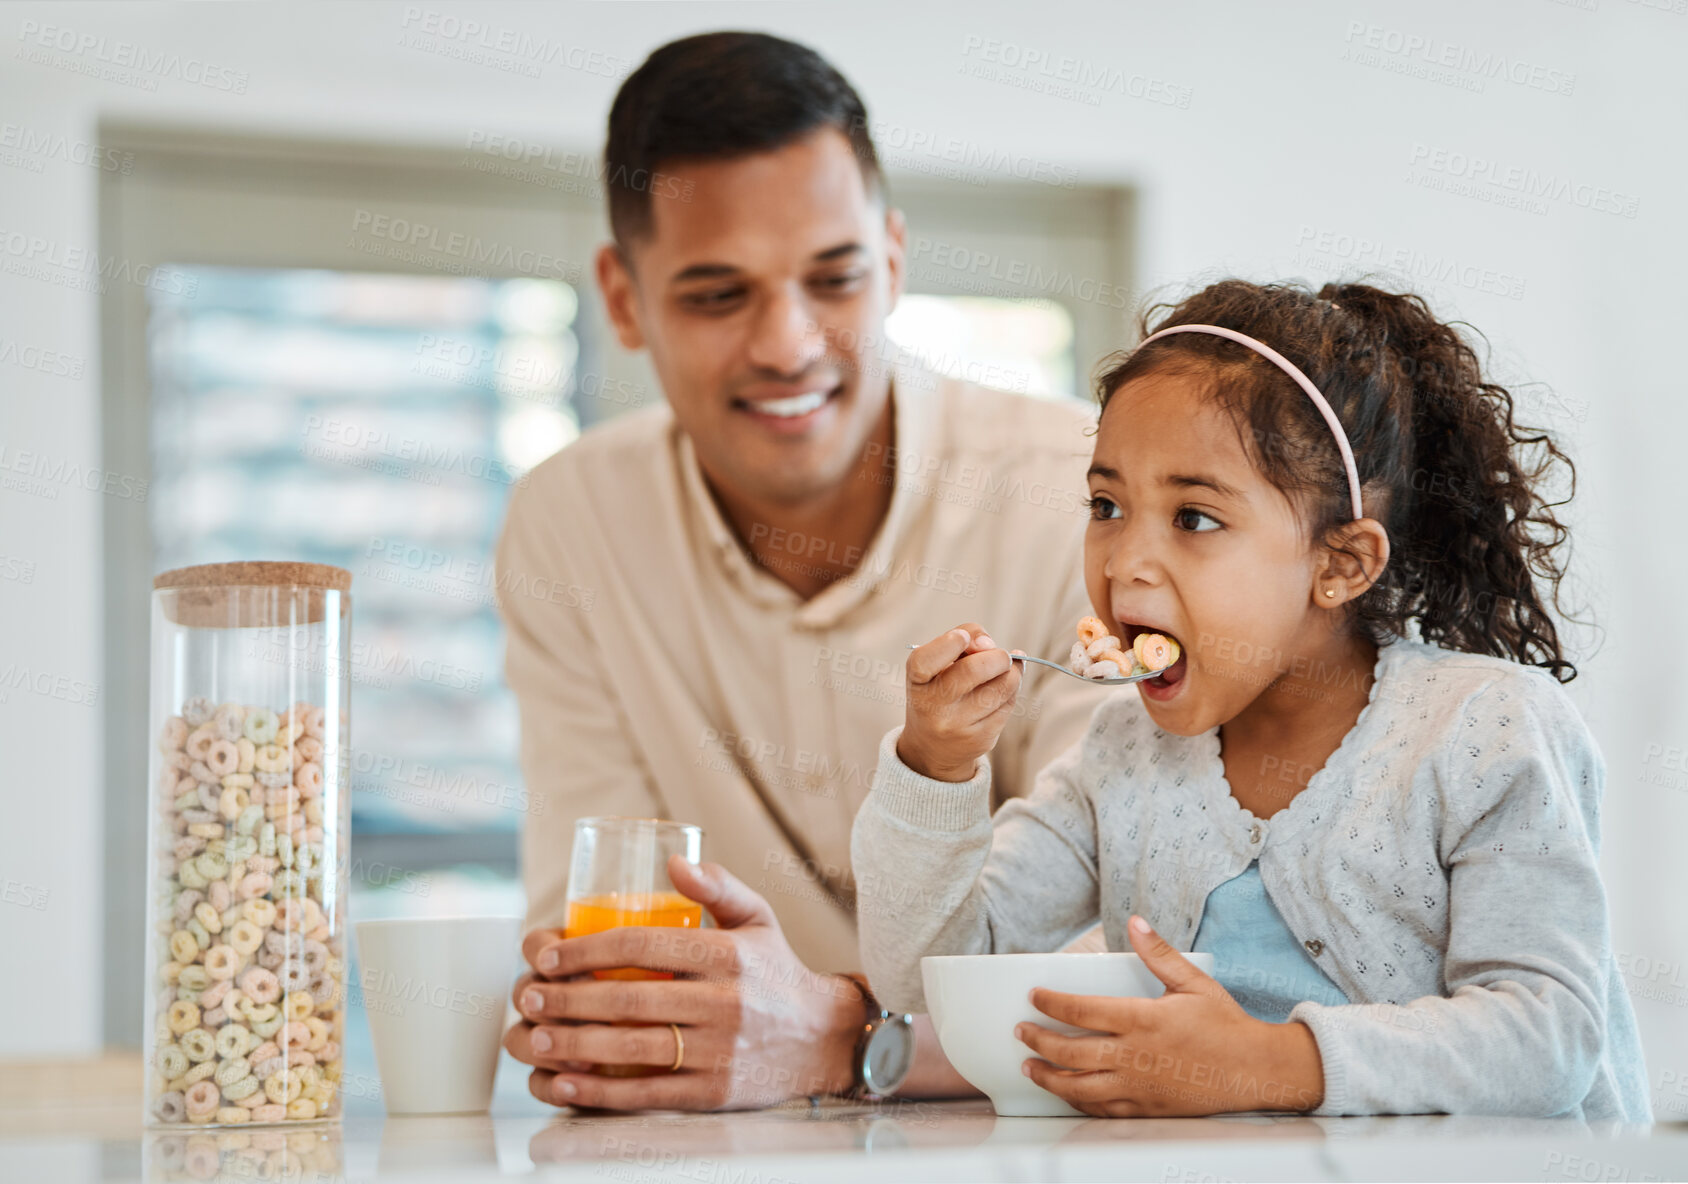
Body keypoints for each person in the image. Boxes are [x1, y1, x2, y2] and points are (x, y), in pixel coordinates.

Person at [855, 279, 1653, 1120]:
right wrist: (935, 771)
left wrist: (1270, 1063)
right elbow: (926, 980)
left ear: (1340, 564)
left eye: (1194, 518)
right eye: (1106, 505)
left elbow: (1548, 1039)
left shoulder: (1484, 731)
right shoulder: (1121, 755)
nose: (1125, 561)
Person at [496, 31, 1101, 1110]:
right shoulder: (569, 524)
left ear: (895, 260)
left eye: (833, 278)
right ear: (622, 298)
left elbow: (1125, 958)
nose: (786, 344)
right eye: (717, 295)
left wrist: (835, 1037)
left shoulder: (1081, 492)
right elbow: (607, 973)